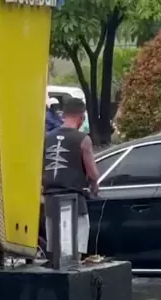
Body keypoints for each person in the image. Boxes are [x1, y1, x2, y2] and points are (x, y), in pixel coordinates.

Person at [42, 96, 99, 259]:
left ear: (63, 115)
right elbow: (92, 173)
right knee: (75, 245)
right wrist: (95, 185)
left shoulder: (47, 138)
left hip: (51, 199)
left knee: (55, 248)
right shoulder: (83, 139)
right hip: (74, 199)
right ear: (82, 117)